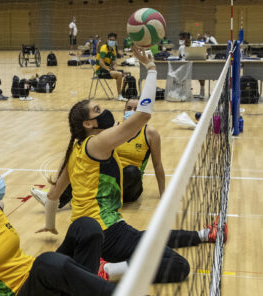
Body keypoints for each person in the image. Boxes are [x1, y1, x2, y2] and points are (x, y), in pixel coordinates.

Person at [37, 46, 228, 284]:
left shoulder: (76, 148)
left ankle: (202, 234)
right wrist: (150, 70)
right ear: (88, 123)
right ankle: (109, 270)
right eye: (98, 110)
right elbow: (144, 114)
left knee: (150, 237)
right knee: (179, 265)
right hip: (108, 230)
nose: (104, 110)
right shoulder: (98, 142)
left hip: (87, 233)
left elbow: (53, 196)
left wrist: (50, 226)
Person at [0, 155, 115, 296]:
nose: (0, 178)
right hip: (17, 292)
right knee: (47, 263)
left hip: (34, 280)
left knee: (86, 227)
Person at [31, 97, 165, 206]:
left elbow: (158, 165)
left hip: (130, 187)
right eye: (128, 108)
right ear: (124, 110)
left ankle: (89, 197)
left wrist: (163, 194)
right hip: (110, 178)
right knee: (85, 162)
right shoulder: (112, 130)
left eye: (136, 109)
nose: (131, 111)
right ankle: (58, 196)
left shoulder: (150, 133)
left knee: (131, 171)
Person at [95, 32, 126, 101]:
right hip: (100, 70)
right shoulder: (104, 48)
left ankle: (125, 93)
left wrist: (114, 68)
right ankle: (119, 95)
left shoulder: (113, 50)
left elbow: (113, 63)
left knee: (124, 73)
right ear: (107, 40)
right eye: (110, 40)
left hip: (108, 69)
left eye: (113, 40)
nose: (112, 41)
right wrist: (109, 70)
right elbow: (101, 63)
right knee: (119, 74)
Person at [178, 31, 206, 99]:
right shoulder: (181, 48)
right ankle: (185, 92)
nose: (181, 40)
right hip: (185, 66)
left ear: (187, 38)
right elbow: (179, 58)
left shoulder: (196, 45)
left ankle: (202, 90)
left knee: (201, 74)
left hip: (196, 65)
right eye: (180, 39)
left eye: (182, 39)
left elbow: (202, 55)